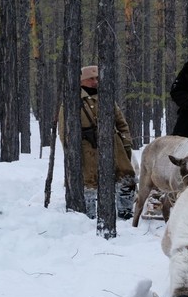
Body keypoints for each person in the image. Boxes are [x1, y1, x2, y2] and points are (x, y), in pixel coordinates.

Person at [58, 65, 136, 220]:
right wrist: (71, 153)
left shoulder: (106, 98)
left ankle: (125, 211)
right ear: (81, 81)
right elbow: (63, 130)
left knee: (126, 176)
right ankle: (90, 215)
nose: (95, 82)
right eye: (91, 79)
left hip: (114, 145)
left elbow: (121, 123)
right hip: (86, 147)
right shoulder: (71, 101)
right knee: (90, 183)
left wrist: (126, 143)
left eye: (96, 78)